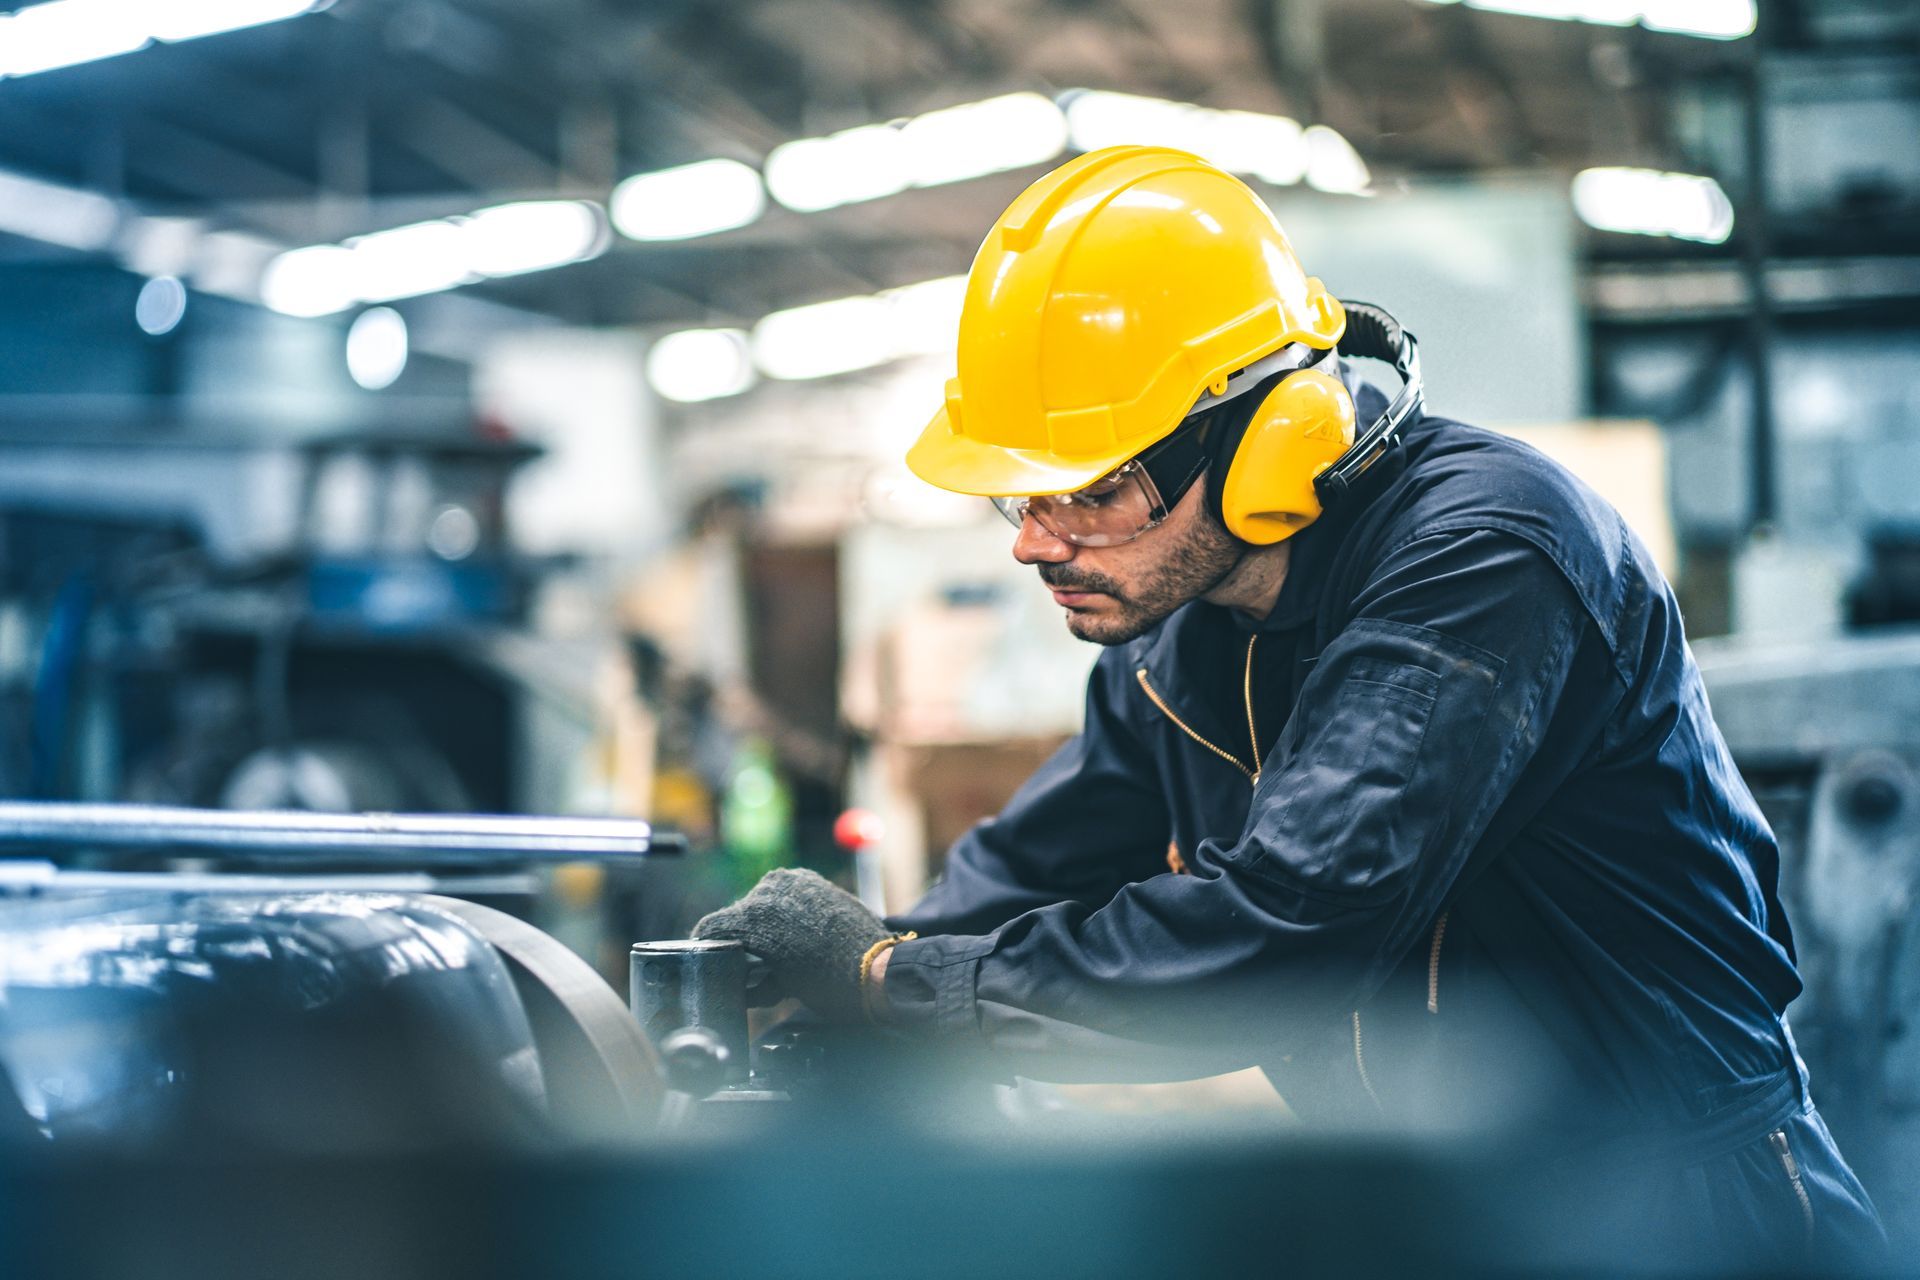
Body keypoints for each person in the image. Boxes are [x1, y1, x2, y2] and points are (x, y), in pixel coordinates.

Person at [695, 146, 1884, 1264]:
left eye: (1091, 490)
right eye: (1017, 497)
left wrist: (891, 986)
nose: (1036, 544)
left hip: (1680, 1207)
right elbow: (1032, 869)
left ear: (1266, 437)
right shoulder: (1181, 634)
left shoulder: (1482, 559)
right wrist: (844, 967)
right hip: (1436, 1193)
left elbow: (1289, 926)